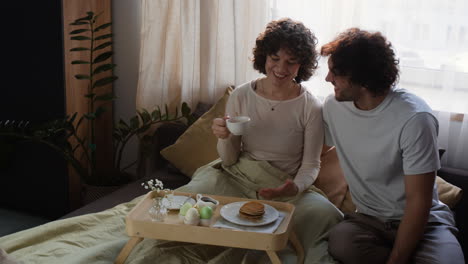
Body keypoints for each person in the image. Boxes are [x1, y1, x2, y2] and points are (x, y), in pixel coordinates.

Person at [179, 18, 343, 263]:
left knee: (326, 213)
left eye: (291, 62)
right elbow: (229, 159)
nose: (281, 68)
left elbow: (311, 165)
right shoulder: (241, 95)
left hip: (284, 186)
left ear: (302, 65)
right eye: (275, 58)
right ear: (264, 57)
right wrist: (224, 137)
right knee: (189, 201)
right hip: (237, 176)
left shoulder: (311, 107)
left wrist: (295, 187)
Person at [320, 28, 465, 264]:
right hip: (368, 221)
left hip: (425, 223)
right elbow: (320, 153)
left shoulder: (415, 118)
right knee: (341, 243)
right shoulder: (333, 107)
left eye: (335, 73)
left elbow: (419, 202)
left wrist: (396, 259)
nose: (328, 79)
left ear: (363, 78)